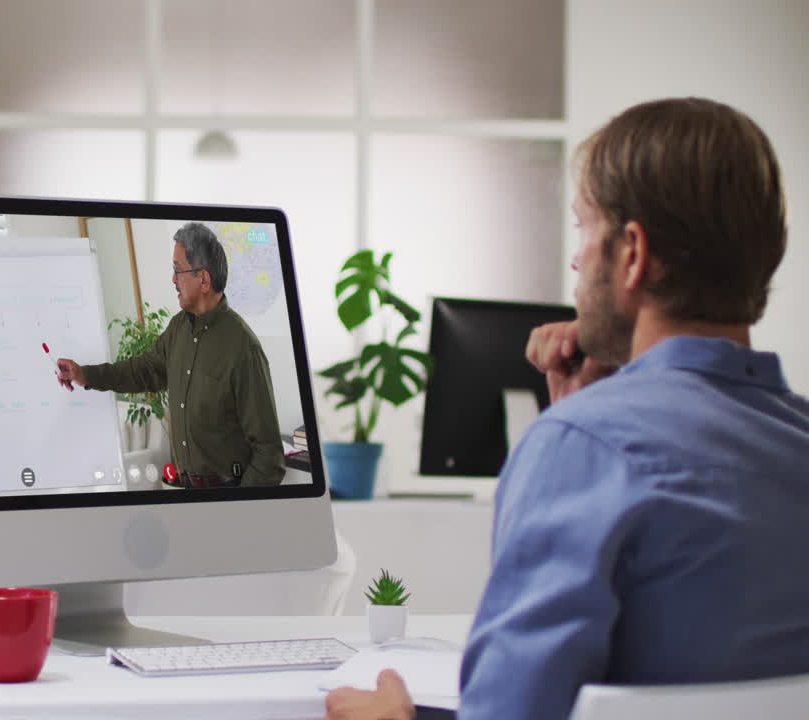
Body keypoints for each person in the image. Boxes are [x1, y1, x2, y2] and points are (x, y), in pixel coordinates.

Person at [325, 96, 809, 720]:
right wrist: (582, 419)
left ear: (632, 253)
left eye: (585, 228)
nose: (577, 259)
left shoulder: (582, 446)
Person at [55, 222, 285, 488]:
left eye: (178, 270)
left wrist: (239, 509)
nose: (173, 279)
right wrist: (85, 374)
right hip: (186, 491)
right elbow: (142, 371)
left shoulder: (243, 348)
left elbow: (269, 455)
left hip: (227, 497)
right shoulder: (178, 329)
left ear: (203, 279)